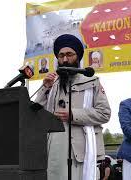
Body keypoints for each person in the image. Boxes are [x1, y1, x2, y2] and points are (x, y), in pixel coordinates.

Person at [35, 34, 111, 180]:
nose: (65, 59)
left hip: (83, 151)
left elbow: (104, 113)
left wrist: (73, 115)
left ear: (78, 56)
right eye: (61, 55)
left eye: (69, 54)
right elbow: (37, 115)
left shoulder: (92, 82)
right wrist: (44, 88)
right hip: (56, 151)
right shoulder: (52, 84)